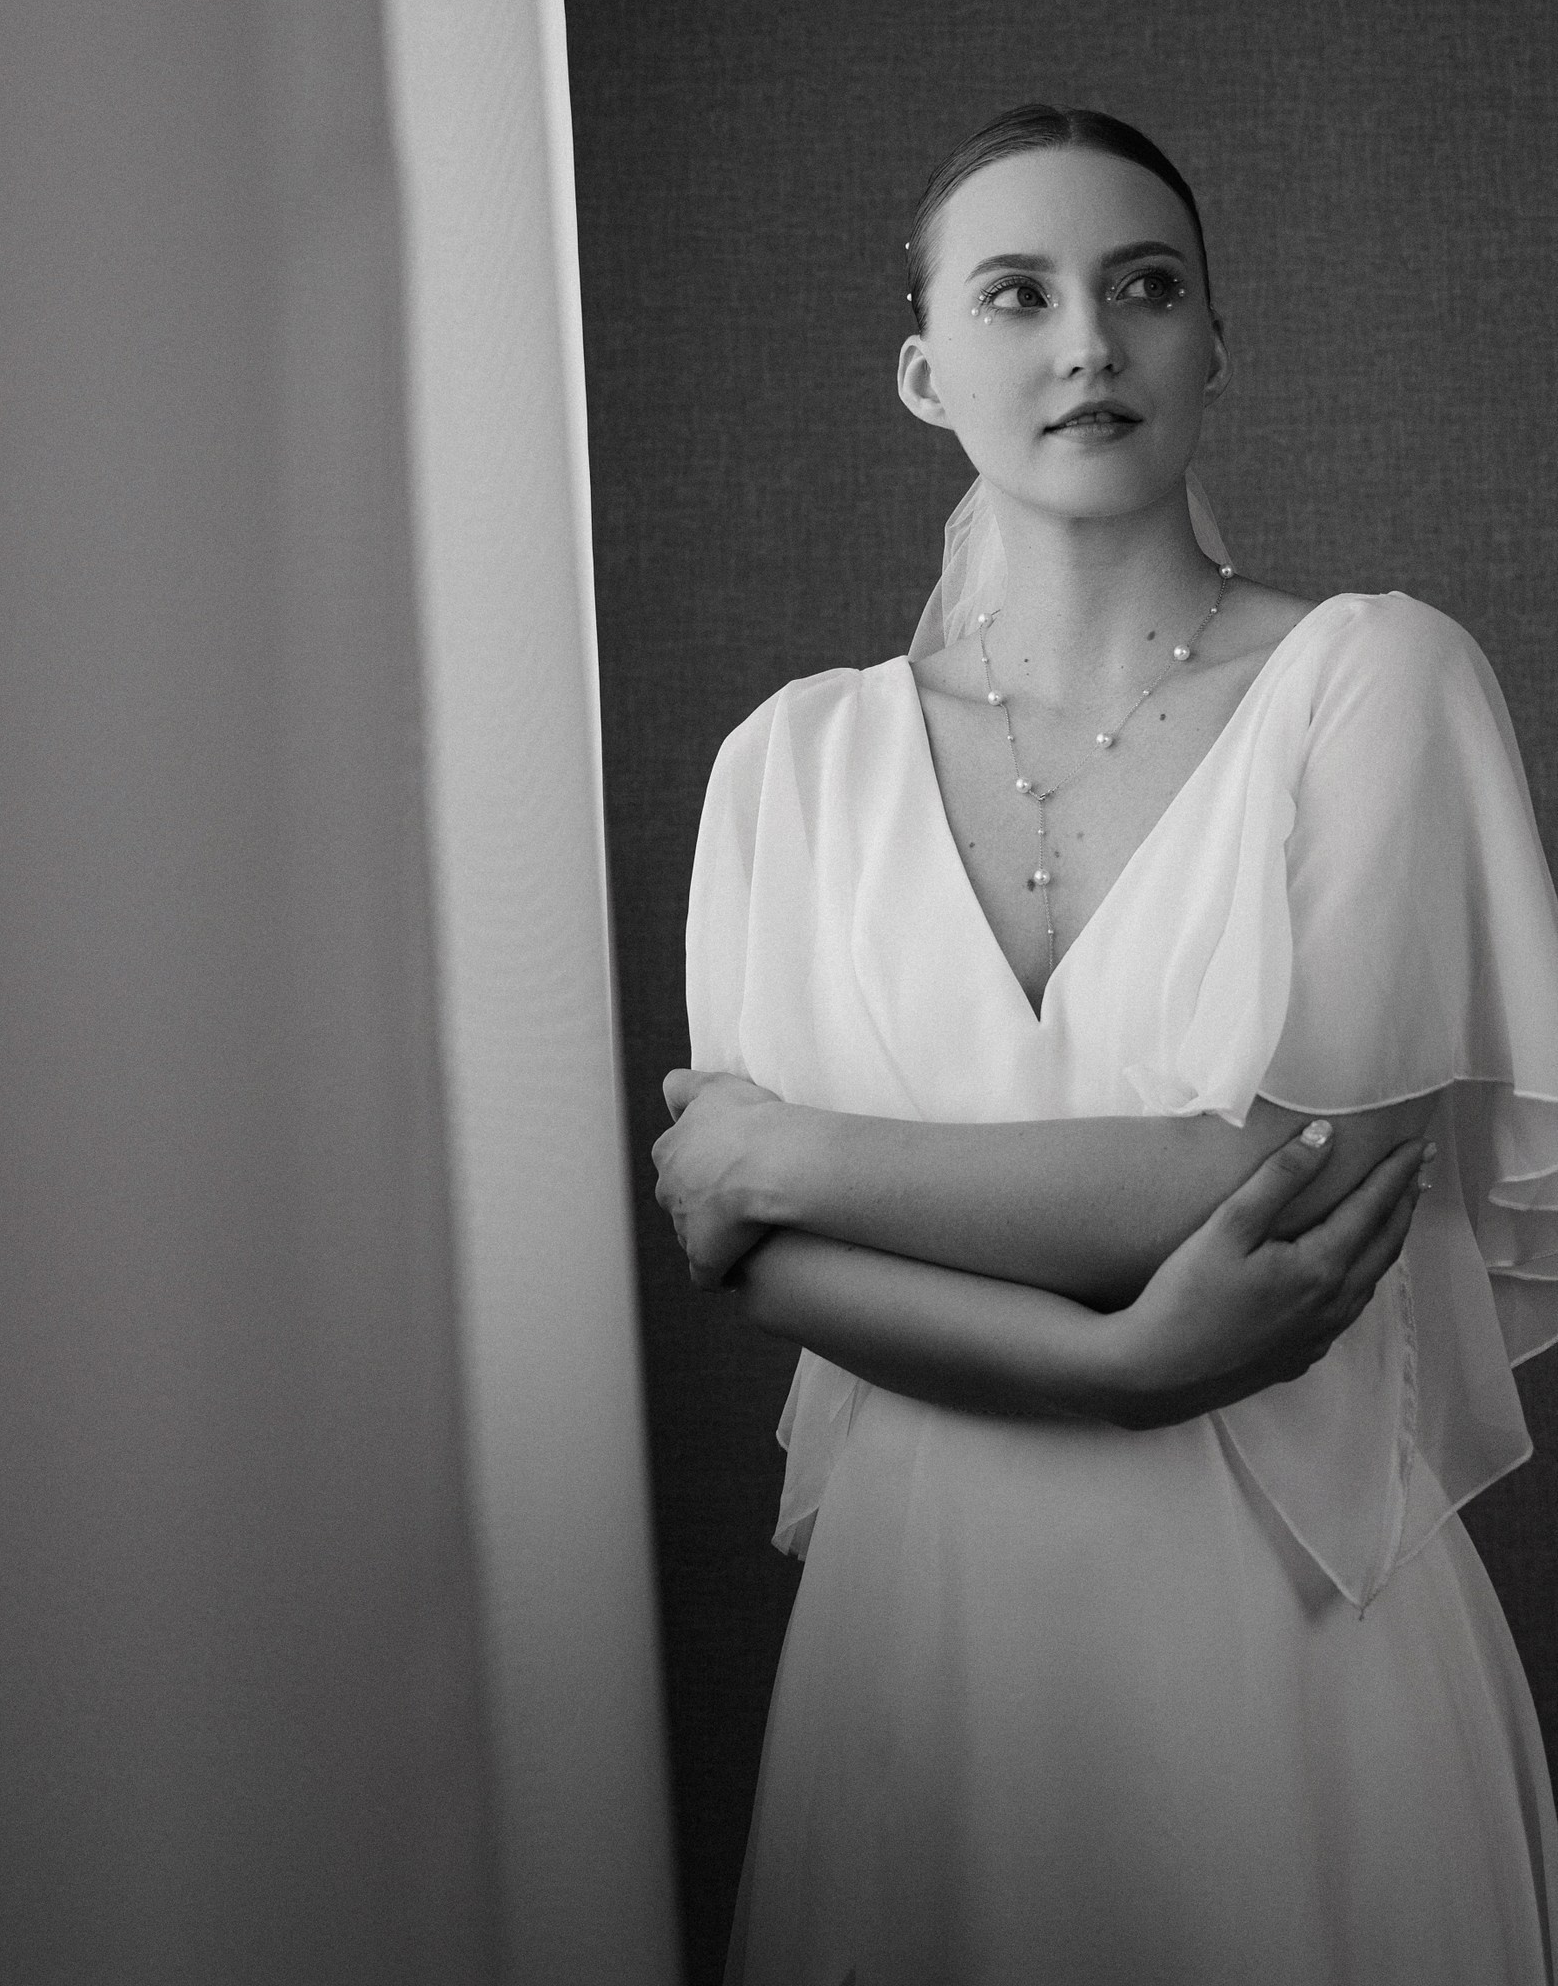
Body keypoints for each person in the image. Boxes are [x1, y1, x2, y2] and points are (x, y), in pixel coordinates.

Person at [654, 105, 1558, 1985]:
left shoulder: (1374, 680)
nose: (1088, 340)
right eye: (1018, 293)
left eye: (1146, 287)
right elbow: (764, 1273)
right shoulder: (791, 763)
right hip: (919, 1648)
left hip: (1293, 1637)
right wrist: (1122, 1367)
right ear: (925, 371)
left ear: (1216, 345)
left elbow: (1284, 1179)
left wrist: (782, 1151)